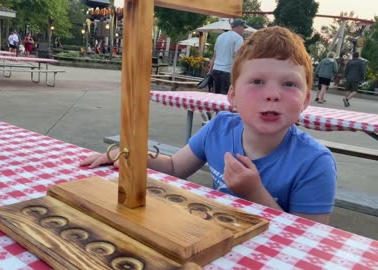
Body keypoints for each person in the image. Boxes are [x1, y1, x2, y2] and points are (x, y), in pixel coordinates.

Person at [80, 26, 337, 224]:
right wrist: (127, 156)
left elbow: (306, 239)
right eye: (257, 81)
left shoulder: (315, 163)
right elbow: (174, 167)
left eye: (289, 84)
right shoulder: (220, 128)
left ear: (305, 100)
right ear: (233, 97)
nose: (272, 94)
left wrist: (254, 192)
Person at [209, 19, 247, 95]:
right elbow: (237, 57)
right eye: (243, 28)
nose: (244, 30)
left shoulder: (220, 36)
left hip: (216, 69)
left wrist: (210, 71)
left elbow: (214, 56)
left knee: (215, 96)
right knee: (225, 98)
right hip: (227, 71)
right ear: (238, 27)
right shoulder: (238, 38)